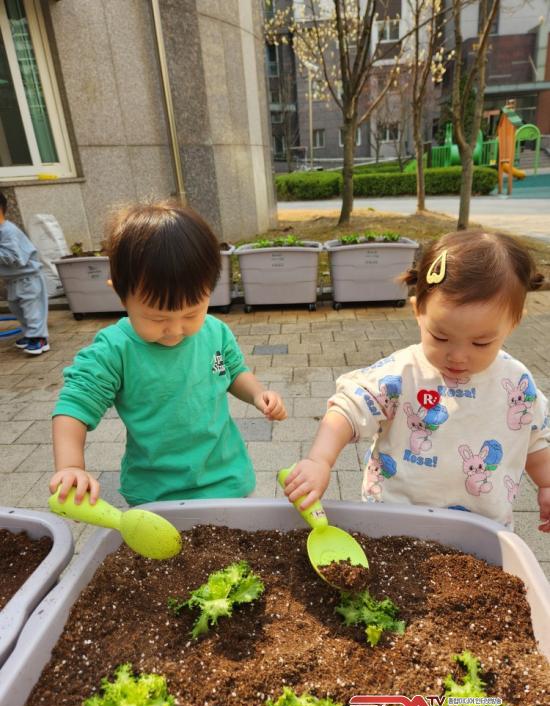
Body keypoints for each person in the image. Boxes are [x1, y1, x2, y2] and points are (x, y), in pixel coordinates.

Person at [282, 231, 550, 532]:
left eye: (481, 343)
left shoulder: (516, 382)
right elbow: (348, 409)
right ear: (418, 311)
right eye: (440, 337)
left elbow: (534, 438)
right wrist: (320, 460)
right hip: (395, 526)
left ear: (514, 323)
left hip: (482, 530)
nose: (458, 356)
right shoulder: (401, 372)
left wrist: (546, 484)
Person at [49, 201, 287, 506]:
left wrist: (257, 394)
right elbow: (73, 407)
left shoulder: (215, 333)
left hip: (228, 481)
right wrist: (71, 466)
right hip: (155, 494)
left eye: (191, 313)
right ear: (121, 294)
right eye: (157, 318)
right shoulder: (114, 350)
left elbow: (233, 372)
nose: (175, 329)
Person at [0, 192, 49, 355]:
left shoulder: (8, 231)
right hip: (13, 280)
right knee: (17, 309)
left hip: (28, 278)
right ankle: (30, 334)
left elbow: (14, 257)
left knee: (32, 309)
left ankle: (39, 338)